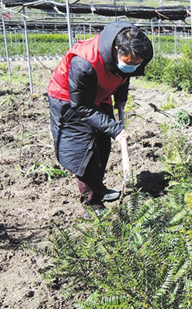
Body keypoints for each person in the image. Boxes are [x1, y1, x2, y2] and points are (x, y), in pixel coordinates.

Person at [47, 21, 153, 218]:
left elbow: (123, 75)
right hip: (68, 100)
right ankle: (92, 203)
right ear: (116, 50)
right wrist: (116, 129)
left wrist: (121, 99)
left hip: (99, 93)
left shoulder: (127, 58)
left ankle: (99, 188)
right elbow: (80, 105)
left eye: (136, 64)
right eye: (129, 63)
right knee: (83, 152)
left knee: (102, 145)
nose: (132, 67)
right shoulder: (84, 63)